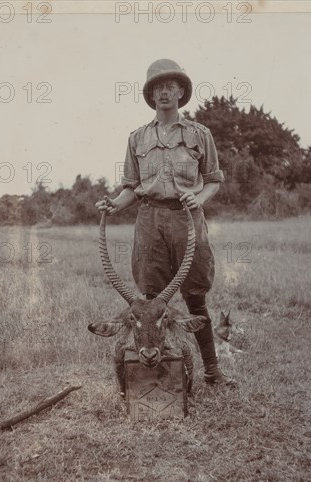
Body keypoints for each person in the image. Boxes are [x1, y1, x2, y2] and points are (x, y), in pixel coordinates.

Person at [95, 58, 235, 386]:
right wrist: (114, 204)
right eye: (158, 87)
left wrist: (197, 199)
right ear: (151, 95)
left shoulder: (201, 134)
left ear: (181, 91)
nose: (164, 93)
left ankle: (212, 371)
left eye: (170, 86)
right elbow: (131, 188)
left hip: (187, 219)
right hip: (149, 219)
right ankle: (155, 371)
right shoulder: (137, 138)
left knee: (195, 296)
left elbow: (213, 180)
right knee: (151, 301)